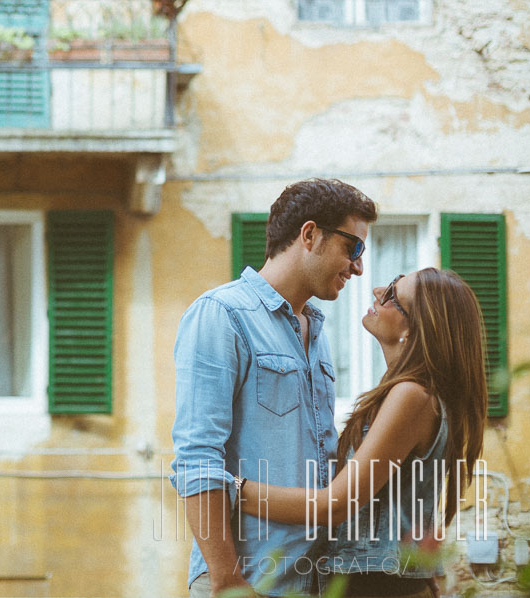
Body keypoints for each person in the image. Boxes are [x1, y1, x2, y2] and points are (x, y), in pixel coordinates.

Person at [171, 178, 378, 598]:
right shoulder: (222, 314)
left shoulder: (316, 330)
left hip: (315, 582)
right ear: (309, 234)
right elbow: (197, 460)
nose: (358, 267)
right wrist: (228, 581)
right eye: (353, 248)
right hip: (249, 582)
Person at [237, 268, 487, 597]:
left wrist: (231, 490)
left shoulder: (412, 396)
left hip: (375, 584)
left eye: (392, 297)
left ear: (413, 330)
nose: (377, 290)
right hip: (391, 581)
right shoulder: (423, 396)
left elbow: (337, 505)